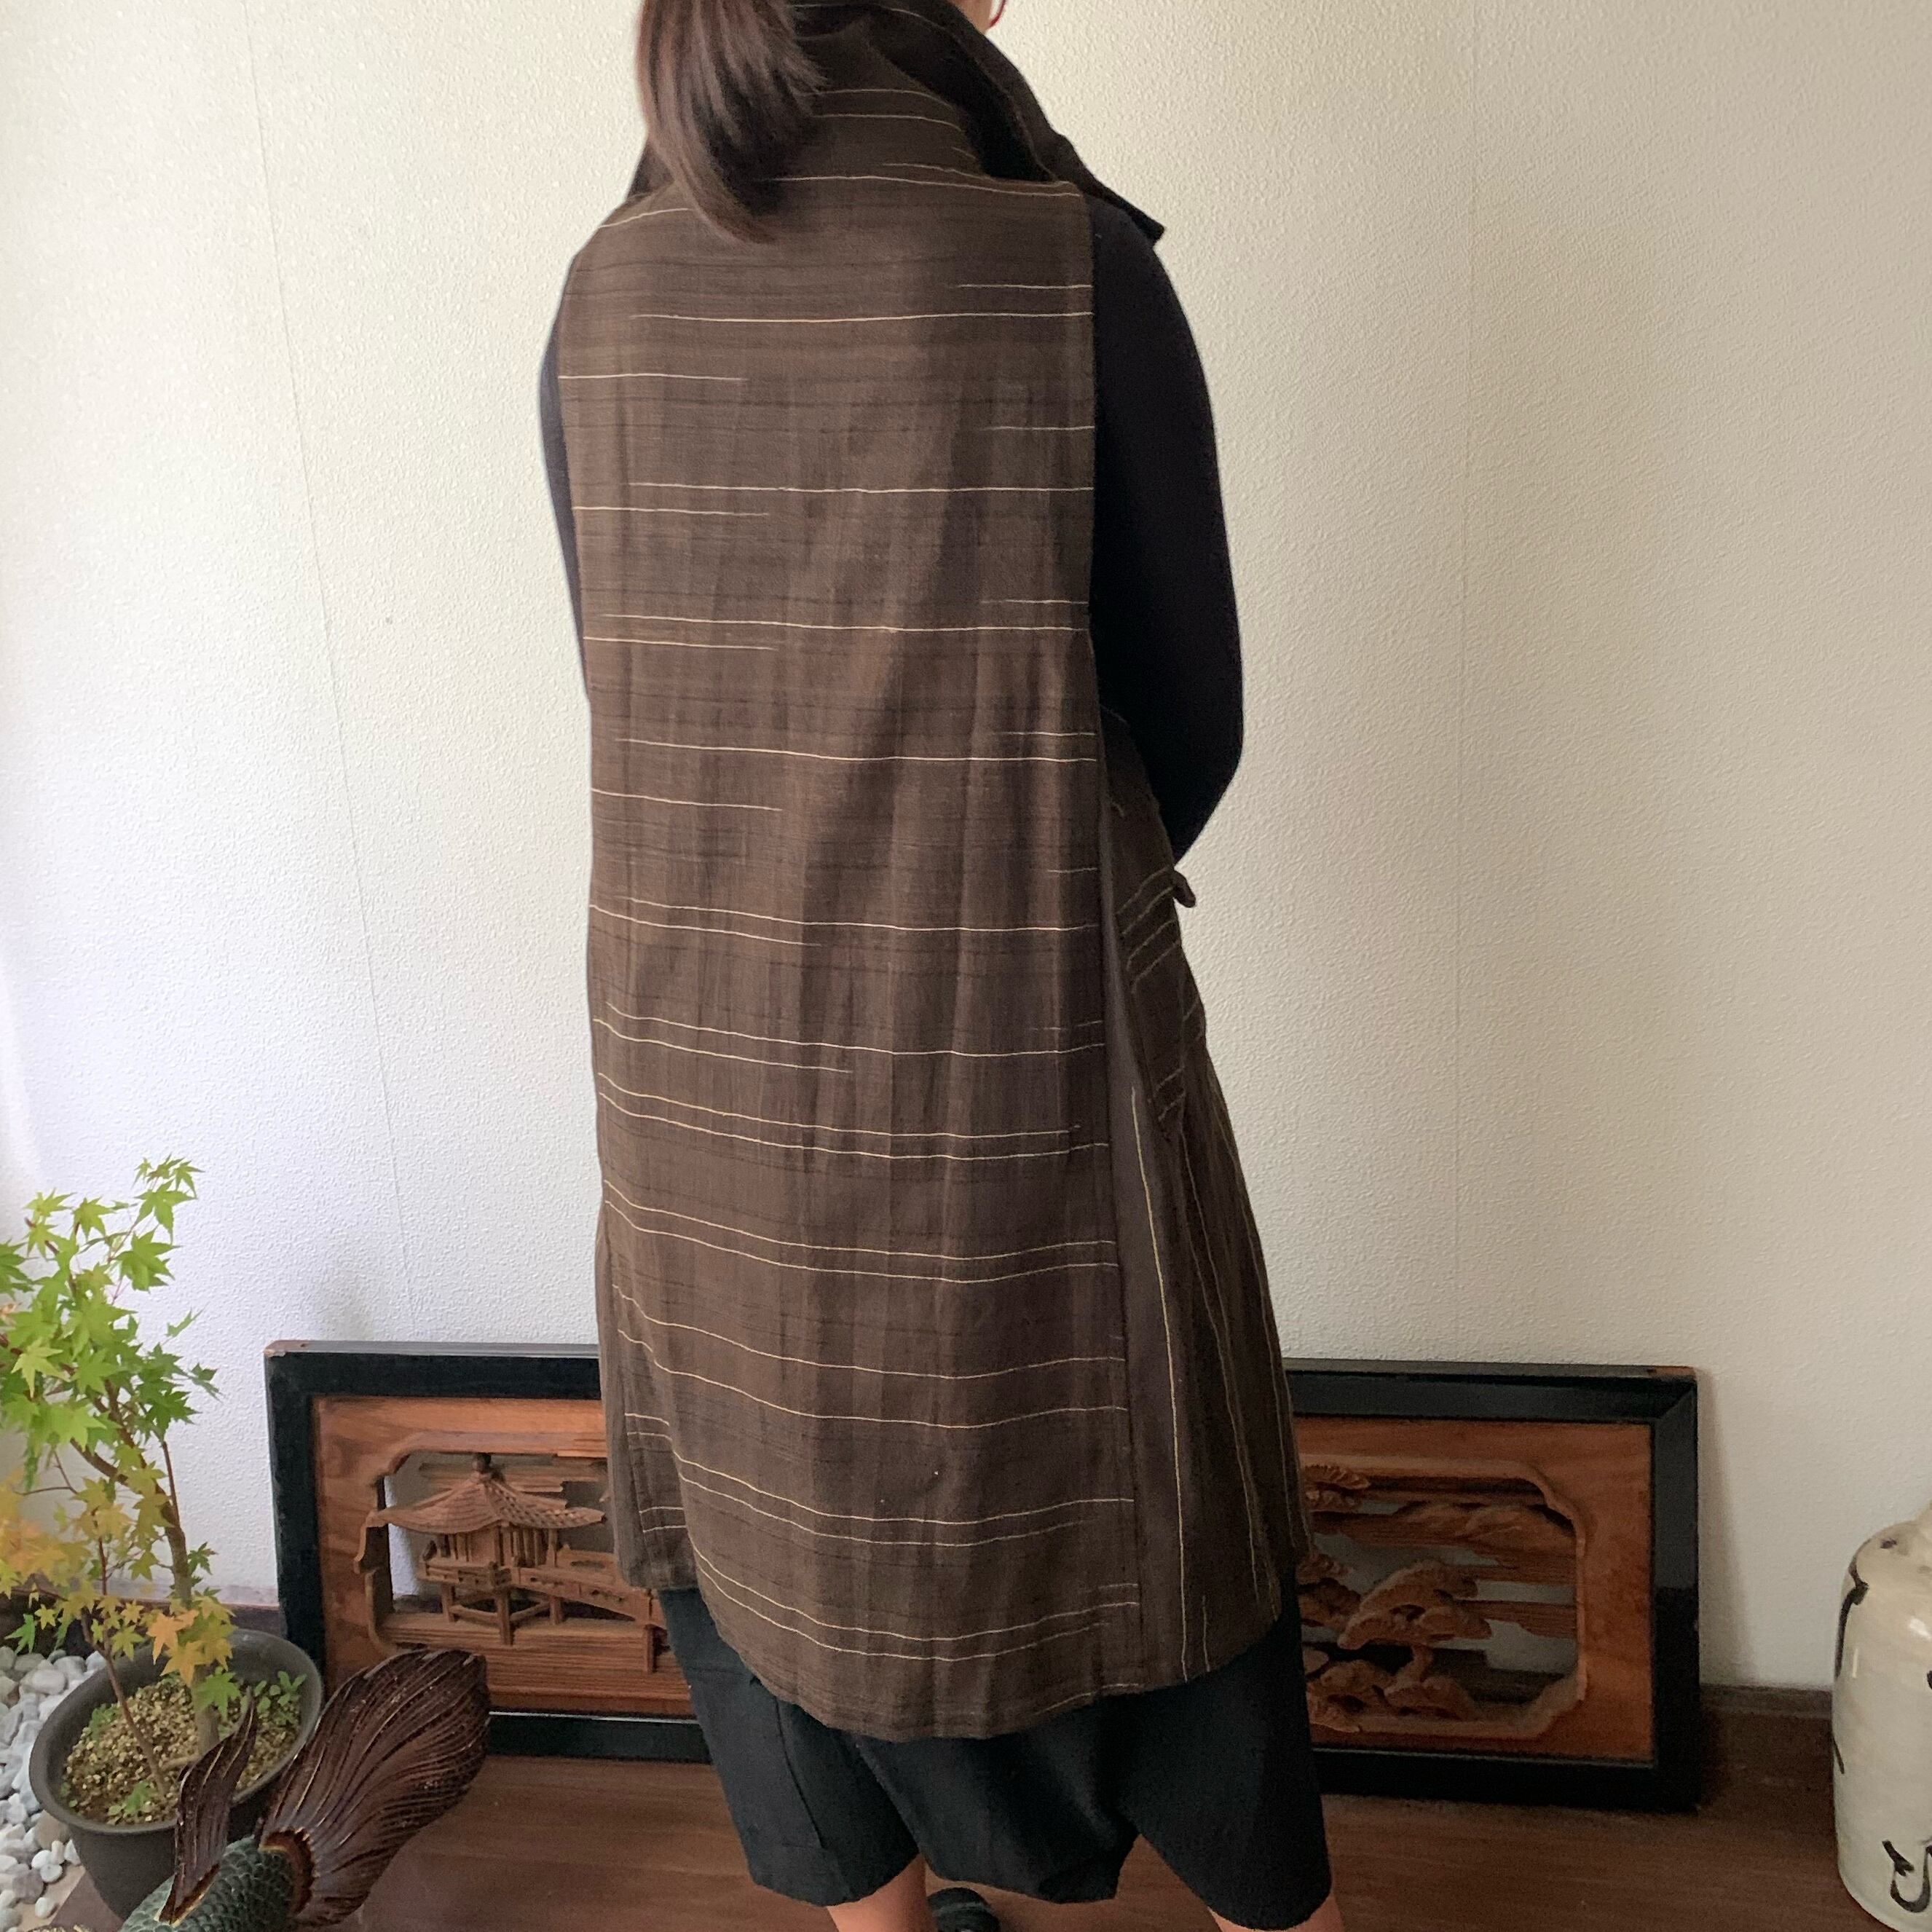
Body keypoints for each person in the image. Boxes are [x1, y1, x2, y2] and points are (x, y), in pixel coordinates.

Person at [539, 2, 1344, 1928]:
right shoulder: (1072, 269)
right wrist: (1010, 893)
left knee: (778, 1592)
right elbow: (1195, 723)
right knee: (1172, 1590)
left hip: (701, 1118)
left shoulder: (600, 294)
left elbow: (634, 692)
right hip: (1027, 1111)